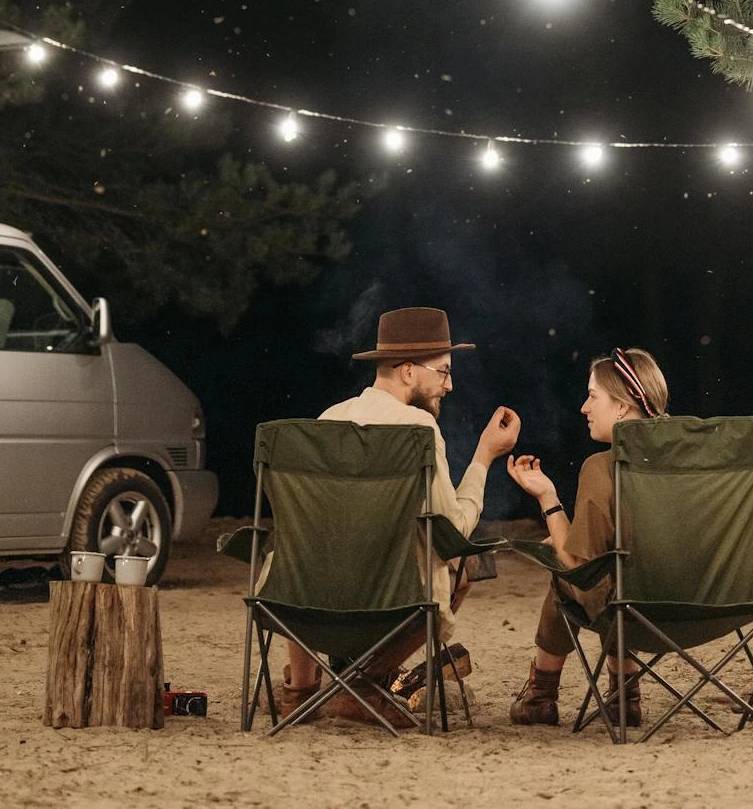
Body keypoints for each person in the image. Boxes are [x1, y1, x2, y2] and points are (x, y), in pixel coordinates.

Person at [279, 305, 521, 724]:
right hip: (390, 602)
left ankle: (299, 692)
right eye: (443, 371)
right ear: (408, 371)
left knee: (306, 547)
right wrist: (484, 455)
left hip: (308, 599)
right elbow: (454, 531)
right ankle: (364, 685)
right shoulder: (418, 430)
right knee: (466, 564)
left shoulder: (328, 420)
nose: (450, 384)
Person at [506, 346, 669, 729]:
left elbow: (578, 565)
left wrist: (548, 498)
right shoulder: (697, 458)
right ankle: (624, 695)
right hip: (707, 601)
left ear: (623, 408)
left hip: (637, 611)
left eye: (593, 396)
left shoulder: (602, 467)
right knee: (609, 567)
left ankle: (541, 695)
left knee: (566, 569)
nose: (583, 407)